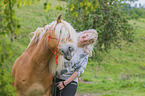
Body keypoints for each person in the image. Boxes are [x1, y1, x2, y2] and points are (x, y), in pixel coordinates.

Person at [52, 29, 98, 96]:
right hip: (55, 77)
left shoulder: (85, 53)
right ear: (84, 32)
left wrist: (64, 83)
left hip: (69, 81)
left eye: (89, 40)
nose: (86, 39)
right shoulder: (68, 40)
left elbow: (78, 71)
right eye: (87, 35)